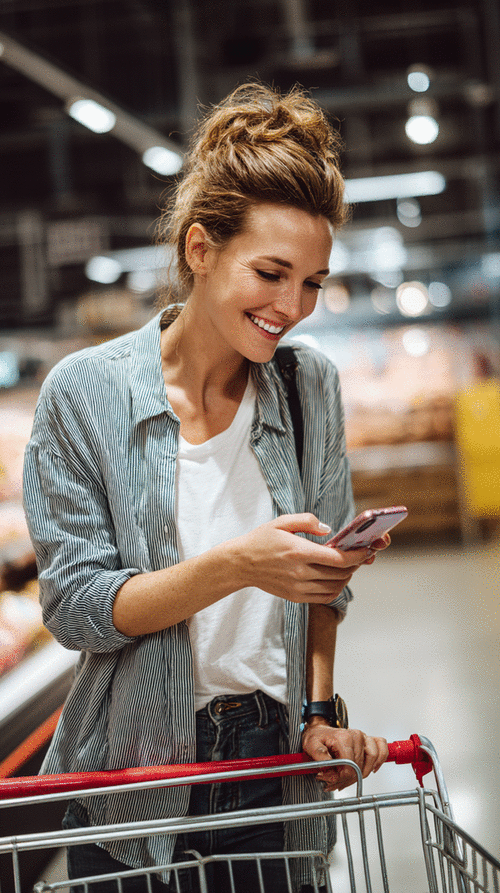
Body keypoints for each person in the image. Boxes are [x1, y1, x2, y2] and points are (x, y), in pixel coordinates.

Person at [23, 82, 389, 893]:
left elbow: (325, 590)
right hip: (133, 772)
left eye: (312, 281)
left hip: (271, 764)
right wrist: (238, 565)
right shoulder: (85, 394)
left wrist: (318, 714)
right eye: (271, 272)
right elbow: (78, 608)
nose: (292, 307)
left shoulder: (307, 387)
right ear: (199, 249)